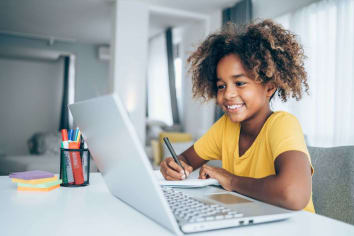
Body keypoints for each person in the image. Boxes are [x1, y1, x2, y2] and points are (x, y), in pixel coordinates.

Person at [160, 19, 315, 213]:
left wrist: (230, 180)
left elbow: (293, 194)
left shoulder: (283, 124)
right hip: (252, 220)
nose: (228, 94)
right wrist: (173, 165)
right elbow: (186, 160)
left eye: (240, 83)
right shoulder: (226, 126)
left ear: (269, 87)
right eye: (221, 86)